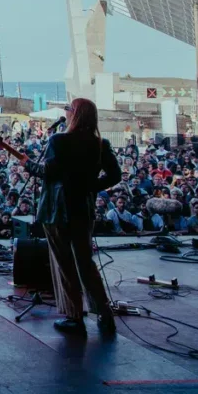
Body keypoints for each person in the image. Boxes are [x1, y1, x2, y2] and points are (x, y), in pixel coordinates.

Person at [25, 98, 120, 335]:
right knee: (85, 263)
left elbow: (47, 172)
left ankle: (74, 316)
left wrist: (27, 164)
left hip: (57, 211)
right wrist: (90, 187)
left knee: (64, 264)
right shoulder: (100, 144)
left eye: (68, 109)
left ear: (75, 115)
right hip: (83, 210)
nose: (65, 113)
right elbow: (115, 175)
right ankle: (104, 313)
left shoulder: (58, 140)